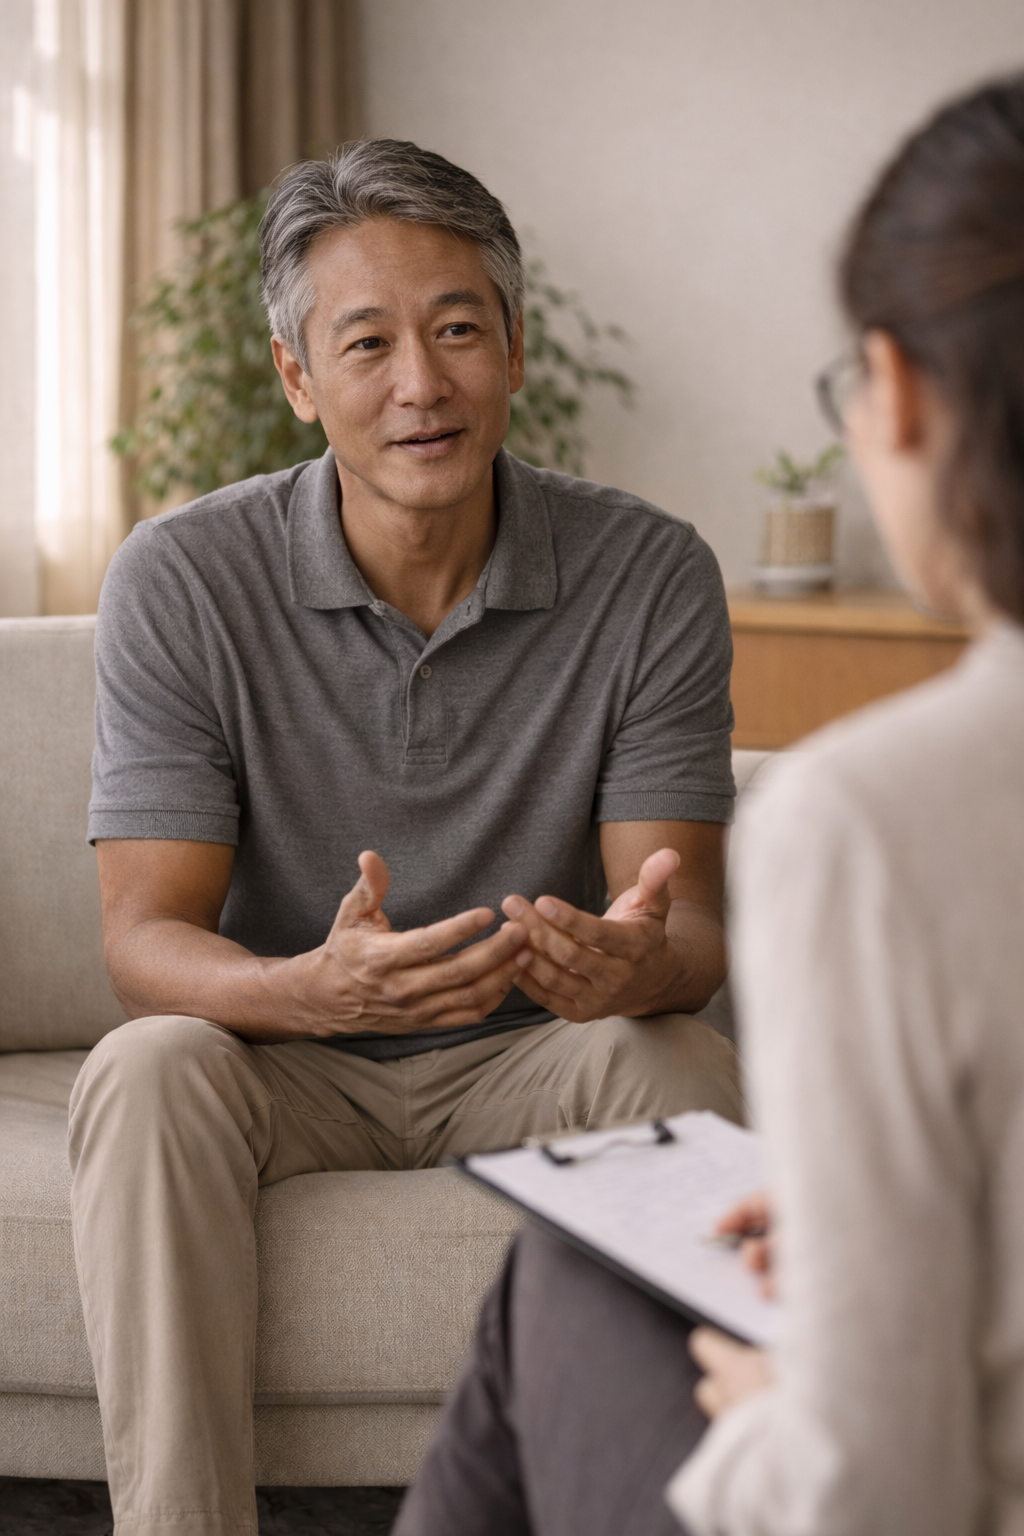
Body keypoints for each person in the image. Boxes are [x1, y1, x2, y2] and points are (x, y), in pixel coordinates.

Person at [67, 139, 743, 1536]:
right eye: (366, 343)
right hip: (283, 1061)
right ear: (298, 379)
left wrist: (628, 966)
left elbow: (684, 926)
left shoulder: (649, 570)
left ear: (512, 342)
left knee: (672, 1050)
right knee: (147, 1070)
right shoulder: (184, 576)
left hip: (527, 1055)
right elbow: (144, 945)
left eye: (454, 330)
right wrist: (304, 992)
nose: (420, 385)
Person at [394, 73, 1024, 1536]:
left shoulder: (876, 824)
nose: (420, 383)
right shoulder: (198, 579)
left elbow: (881, 1492)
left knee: (572, 1267)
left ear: (902, 394)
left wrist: (774, 1416)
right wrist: (874, 1241)